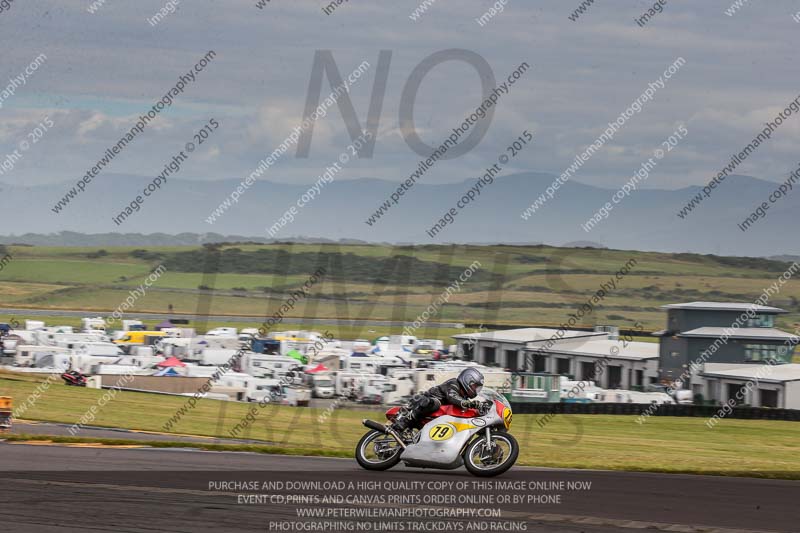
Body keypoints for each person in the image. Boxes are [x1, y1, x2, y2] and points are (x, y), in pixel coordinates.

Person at [390, 367, 486, 432]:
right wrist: (469, 404)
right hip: (424, 401)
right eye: (475, 386)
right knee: (435, 403)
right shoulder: (454, 384)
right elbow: (452, 398)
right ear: (467, 380)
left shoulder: (464, 396)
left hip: (434, 418)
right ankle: (406, 419)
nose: (475, 390)